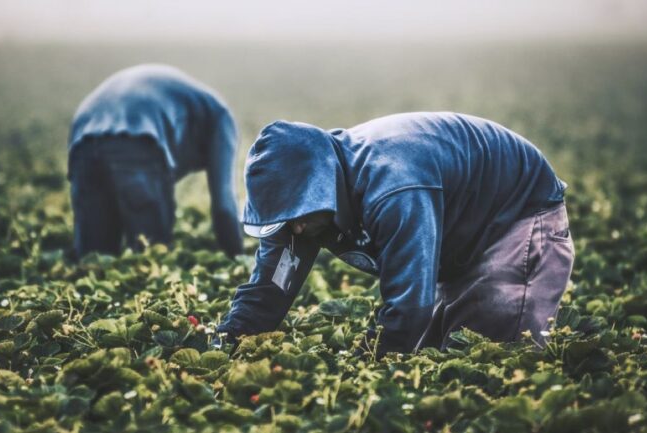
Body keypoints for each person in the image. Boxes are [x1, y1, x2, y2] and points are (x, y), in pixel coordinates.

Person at [217, 112, 575, 355]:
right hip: (457, 231)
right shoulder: (303, 214)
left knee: (496, 353)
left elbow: (410, 305)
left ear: (322, 187)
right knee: (444, 352)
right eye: (284, 219)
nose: (294, 229)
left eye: (299, 214)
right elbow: (269, 288)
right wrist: (226, 344)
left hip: (517, 214)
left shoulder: (394, 187)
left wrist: (365, 362)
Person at [67, 64, 243, 259]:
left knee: (94, 259)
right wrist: (237, 257)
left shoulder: (193, 108)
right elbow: (224, 206)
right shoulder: (222, 118)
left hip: (83, 136)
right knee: (151, 256)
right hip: (138, 134)